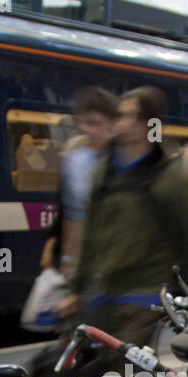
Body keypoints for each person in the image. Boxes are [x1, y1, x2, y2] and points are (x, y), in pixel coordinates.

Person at [60, 86, 188, 346]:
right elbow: (91, 235)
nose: (122, 123)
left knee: (127, 376)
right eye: (121, 116)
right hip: (101, 293)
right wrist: (75, 289)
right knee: (86, 373)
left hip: (144, 296)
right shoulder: (105, 172)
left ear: (148, 124)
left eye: (131, 116)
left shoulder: (167, 178)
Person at [57, 87, 117, 283]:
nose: (87, 130)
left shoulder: (127, 162)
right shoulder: (75, 161)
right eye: (83, 123)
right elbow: (73, 217)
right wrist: (69, 263)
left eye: (95, 123)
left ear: (112, 124)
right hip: (89, 268)